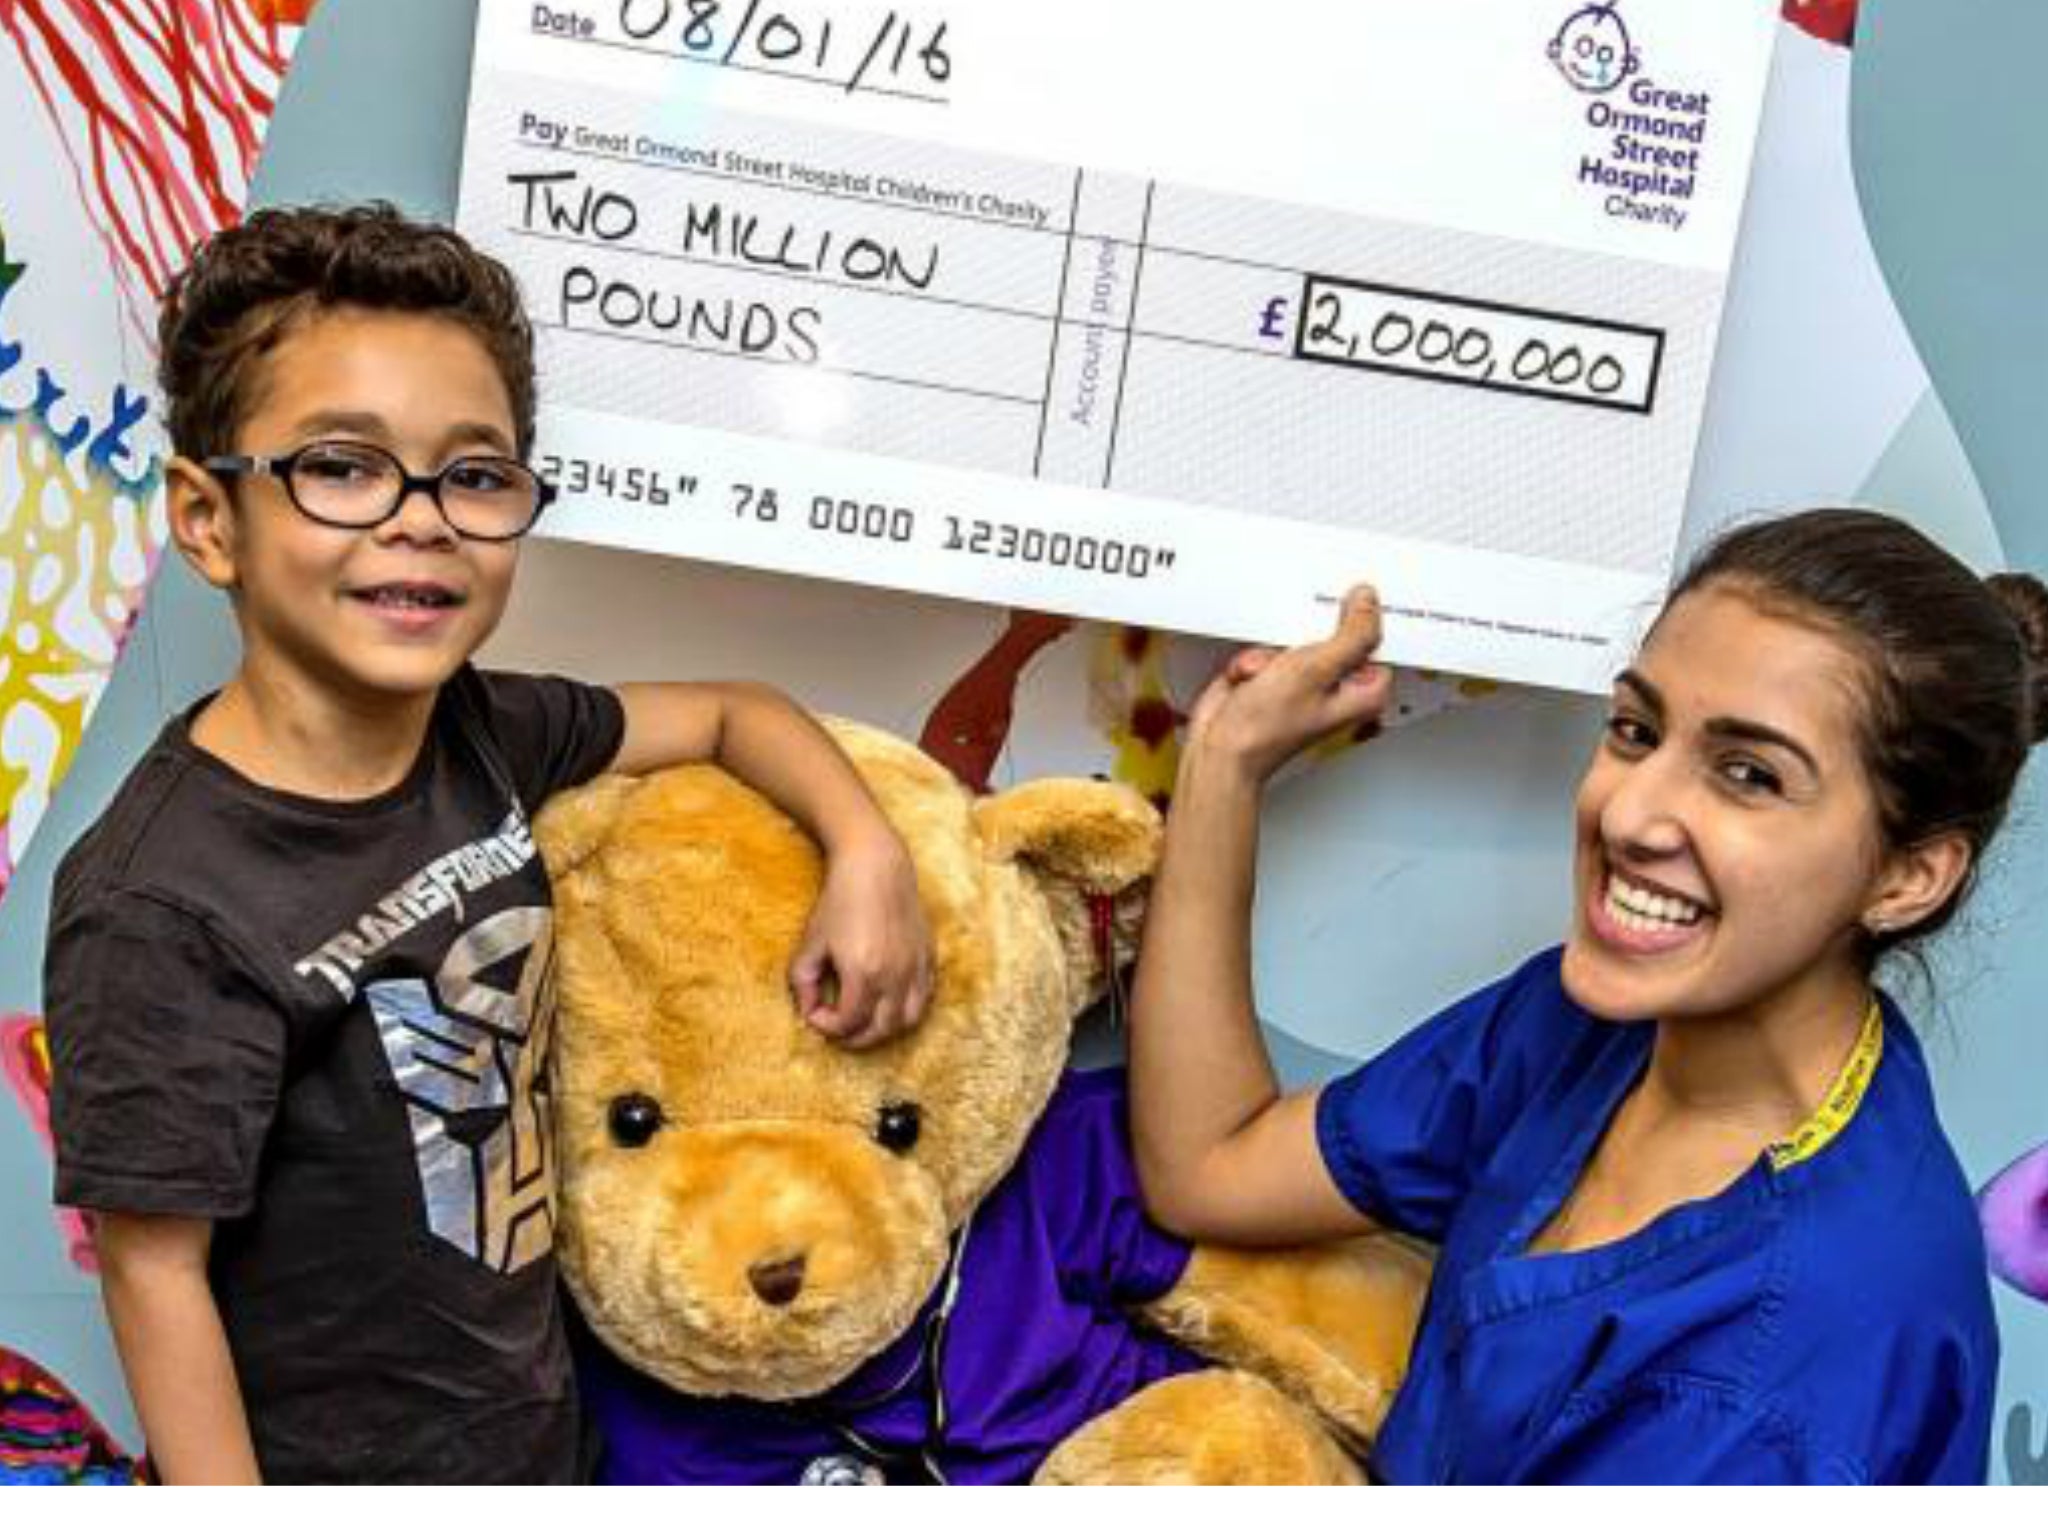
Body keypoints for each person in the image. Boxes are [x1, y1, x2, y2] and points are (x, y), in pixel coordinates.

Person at [43, 204, 934, 1484]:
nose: (422, 518)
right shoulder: (163, 905)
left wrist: (867, 852)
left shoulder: (481, 730)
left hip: (536, 1447)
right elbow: (153, 1269)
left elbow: (739, 711)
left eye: (473, 473)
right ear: (208, 520)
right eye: (340, 466)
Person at [1129, 509, 2044, 1483]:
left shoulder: (1783, 1369)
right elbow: (1210, 1168)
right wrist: (1224, 766)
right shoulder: (1596, 1027)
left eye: (1747, 775)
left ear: (1905, 878)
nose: (1630, 810)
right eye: (1633, 730)